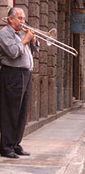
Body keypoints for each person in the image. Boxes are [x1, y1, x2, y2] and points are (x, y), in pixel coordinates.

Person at [0, 7, 39, 158]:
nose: (23, 21)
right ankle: (6, 147)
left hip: (25, 74)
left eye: (23, 18)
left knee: (22, 112)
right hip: (12, 74)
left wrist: (33, 40)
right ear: (10, 19)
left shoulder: (21, 33)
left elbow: (33, 51)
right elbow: (13, 52)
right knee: (11, 111)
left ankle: (16, 144)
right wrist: (25, 40)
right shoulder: (4, 34)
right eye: (20, 18)